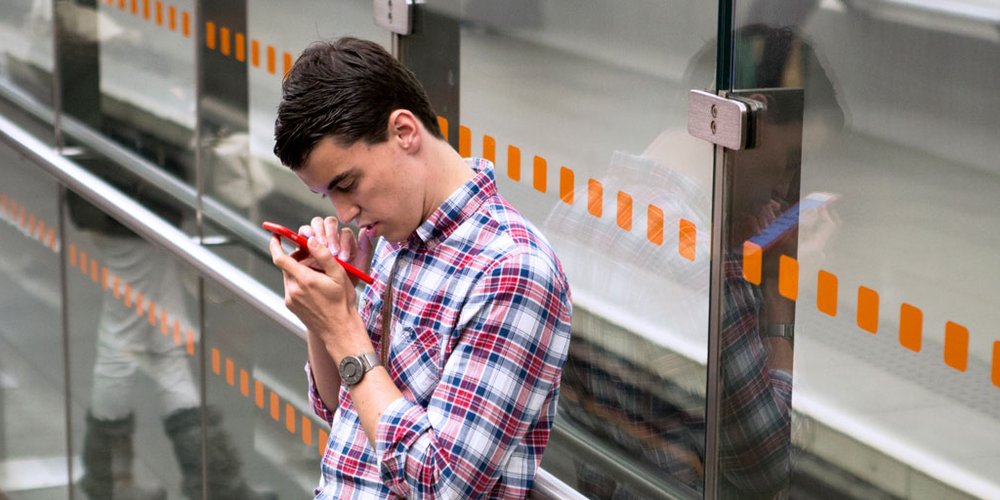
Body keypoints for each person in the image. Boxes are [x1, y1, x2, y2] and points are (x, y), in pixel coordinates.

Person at [269, 37, 573, 499]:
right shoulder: (394, 232)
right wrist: (330, 305)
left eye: (347, 183)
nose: (344, 211)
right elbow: (340, 410)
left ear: (404, 132)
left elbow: (439, 484)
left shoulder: (512, 270)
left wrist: (342, 328)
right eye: (329, 195)